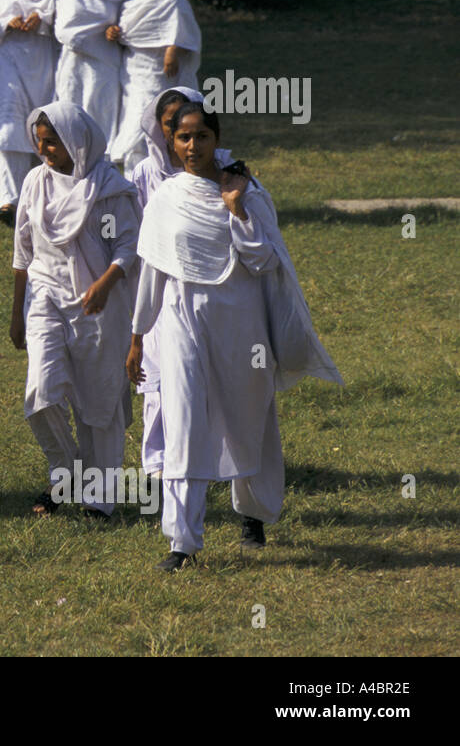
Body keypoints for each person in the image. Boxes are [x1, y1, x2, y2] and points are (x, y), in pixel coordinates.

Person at [128, 102, 342, 571]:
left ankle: (252, 515)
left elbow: (264, 260)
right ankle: (182, 542)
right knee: (183, 420)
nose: (191, 146)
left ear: (215, 139)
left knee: (248, 418)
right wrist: (139, 335)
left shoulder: (247, 190)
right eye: (183, 137)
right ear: (171, 142)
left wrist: (236, 207)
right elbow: (152, 273)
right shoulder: (166, 197)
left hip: (241, 323)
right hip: (183, 319)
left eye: (201, 136)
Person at [9, 101, 141, 519]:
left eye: (54, 143)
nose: (45, 150)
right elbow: (22, 252)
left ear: (77, 142)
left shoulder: (107, 188)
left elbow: (128, 247)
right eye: (41, 142)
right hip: (45, 295)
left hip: (97, 305)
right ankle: (66, 475)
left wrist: (105, 284)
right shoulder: (35, 183)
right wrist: (16, 313)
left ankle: (98, 497)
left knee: (98, 403)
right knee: (41, 393)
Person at [127, 87, 224, 481]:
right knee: (157, 377)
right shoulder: (145, 174)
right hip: (158, 288)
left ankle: (206, 458)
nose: (183, 140)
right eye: (173, 128)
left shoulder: (226, 172)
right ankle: (157, 464)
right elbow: (137, 238)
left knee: (203, 379)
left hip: (207, 291)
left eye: (196, 133)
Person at [0, 0, 71, 225]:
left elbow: (73, 19)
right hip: (13, 58)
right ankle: (7, 199)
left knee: (49, 123)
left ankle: (51, 193)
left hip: (48, 57)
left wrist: (44, 20)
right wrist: (10, 21)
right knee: (9, 122)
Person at [105, 0, 202, 173]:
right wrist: (114, 32)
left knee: (156, 120)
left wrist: (172, 49)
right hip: (133, 71)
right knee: (136, 122)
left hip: (160, 70)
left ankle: (165, 172)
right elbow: (127, 31)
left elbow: (183, 28)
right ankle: (135, 178)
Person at [53, 0, 130, 163]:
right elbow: (62, 27)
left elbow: (128, 20)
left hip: (104, 64)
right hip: (73, 64)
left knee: (100, 117)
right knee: (71, 116)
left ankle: (101, 177)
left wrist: (116, 30)